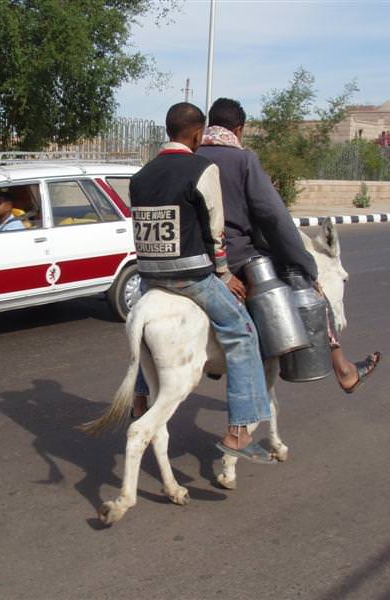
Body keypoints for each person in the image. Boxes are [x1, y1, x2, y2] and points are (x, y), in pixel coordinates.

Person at [196, 97, 380, 392]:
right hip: (236, 255)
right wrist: (305, 265)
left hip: (193, 255)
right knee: (307, 287)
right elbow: (273, 216)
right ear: (239, 129)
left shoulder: (190, 157)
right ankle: (344, 369)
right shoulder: (243, 160)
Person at [129, 102, 273, 463]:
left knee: (142, 336)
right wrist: (224, 275)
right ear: (197, 134)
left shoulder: (141, 175)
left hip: (149, 277)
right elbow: (215, 228)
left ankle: (141, 398)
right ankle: (239, 431)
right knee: (242, 333)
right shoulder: (201, 168)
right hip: (191, 276)